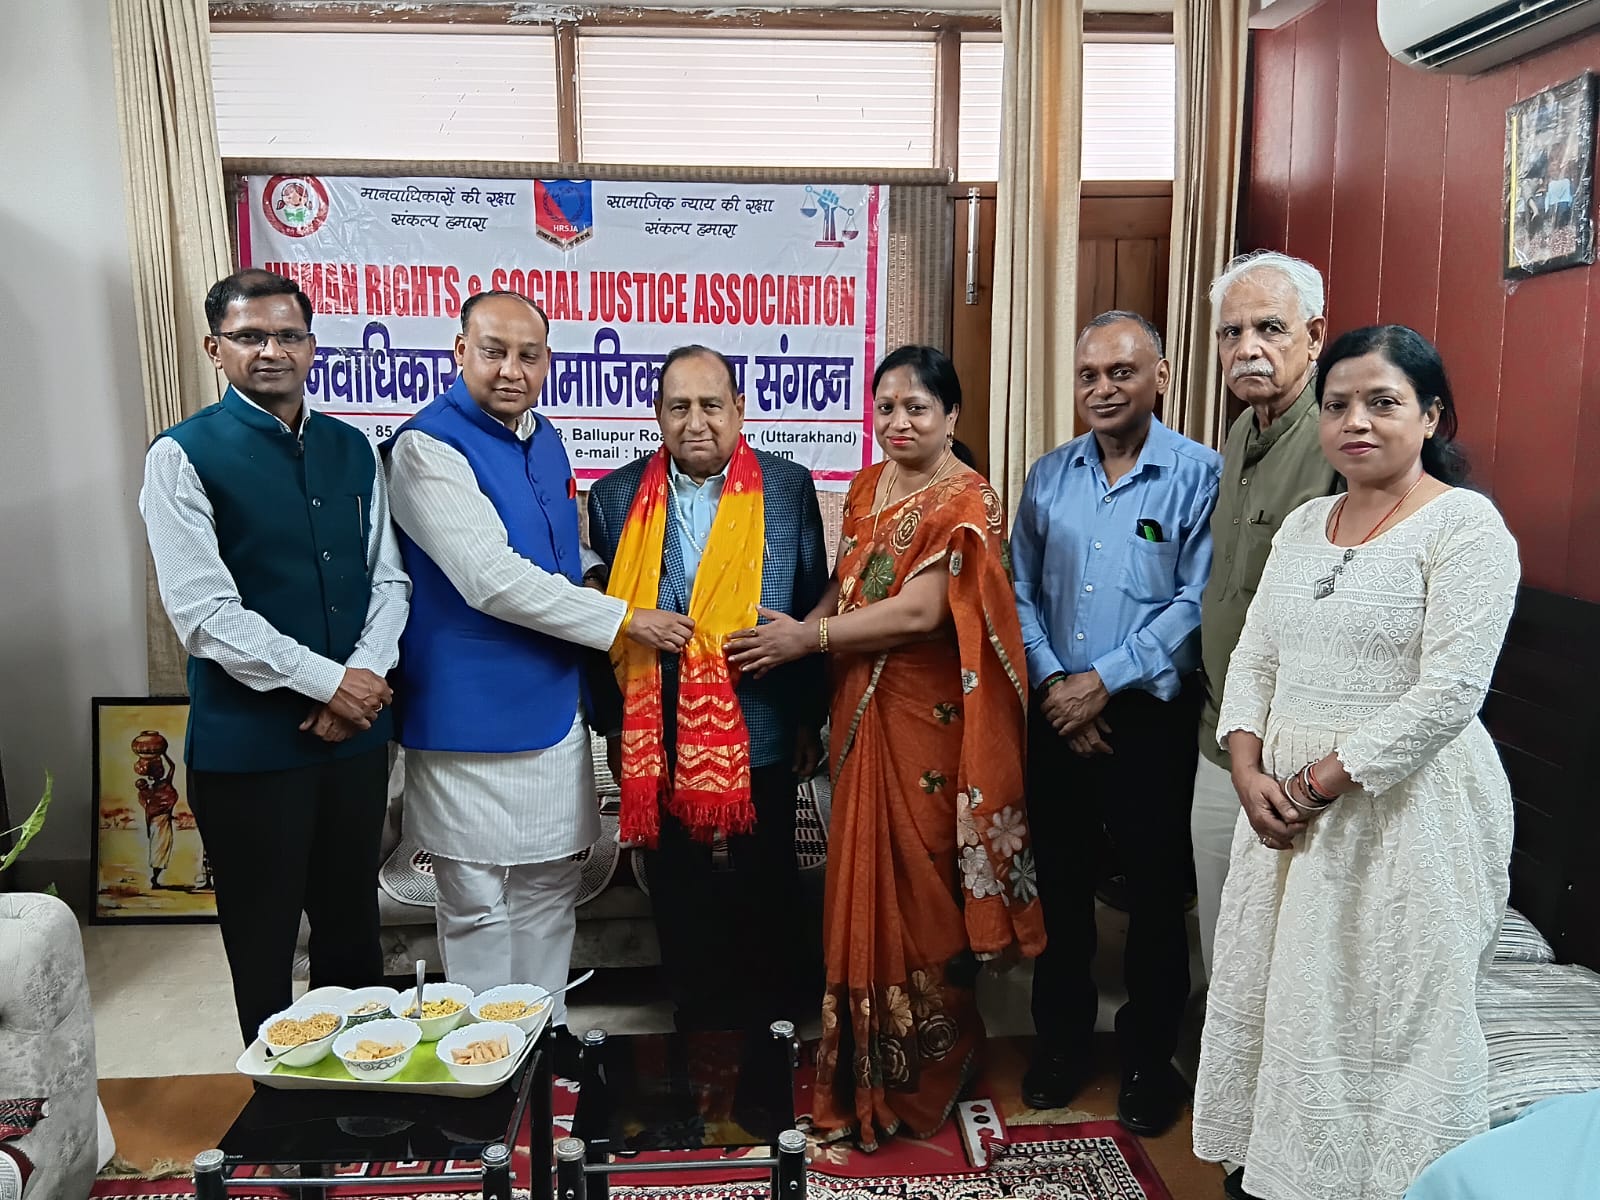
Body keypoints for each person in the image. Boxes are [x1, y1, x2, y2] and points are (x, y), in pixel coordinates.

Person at [1191, 325, 1520, 1200]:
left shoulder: (1465, 528)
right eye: (1337, 405)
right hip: (1285, 814)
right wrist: (1246, 765)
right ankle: (1275, 1171)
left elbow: (1451, 693)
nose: (1356, 422)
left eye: (1383, 402)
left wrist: (1313, 783)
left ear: (1431, 416)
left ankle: (1385, 1182)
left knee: (1385, 1012)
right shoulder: (1307, 523)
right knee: (1284, 996)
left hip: (1406, 812)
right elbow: (1256, 655)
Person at [726, 345, 1046, 1149]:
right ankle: (863, 1062)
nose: (899, 422)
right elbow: (847, 585)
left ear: (952, 416)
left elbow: (920, 612)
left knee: (922, 887)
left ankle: (934, 1057)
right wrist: (803, 630)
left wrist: (809, 640)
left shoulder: (969, 500)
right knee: (861, 880)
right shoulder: (869, 486)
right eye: (887, 408)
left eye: (918, 408)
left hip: (926, 722)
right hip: (857, 711)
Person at [384, 291, 693, 1049]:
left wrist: (592, 572)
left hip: (554, 700)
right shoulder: (426, 448)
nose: (511, 370)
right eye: (493, 351)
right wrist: (623, 617)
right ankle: (485, 1055)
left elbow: (555, 547)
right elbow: (489, 577)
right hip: (467, 711)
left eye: (529, 355)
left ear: (548, 360)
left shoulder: (544, 437)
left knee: (552, 885)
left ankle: (542, 1038)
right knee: (474, 896)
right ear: (459, 352)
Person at [140, 269, 409, 1043]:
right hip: (249, 751)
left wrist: (363, 679)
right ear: (213, 348)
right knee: (263, 947)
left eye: (288, 335)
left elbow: (388, 578)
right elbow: (205, 617)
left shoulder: (353, 447)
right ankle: (282, 1103)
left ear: (311, 346)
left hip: (354, 744)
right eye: (250, 336)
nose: (271, 351)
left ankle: (363, 1088)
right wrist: (332, 684)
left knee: (353, 935)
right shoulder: (182, 455)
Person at [1012, 311, 1221, 1133]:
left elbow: (1197, 600)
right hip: (1055, 710)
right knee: (1060, 892)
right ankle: (1060, 1045)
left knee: (1156, 900)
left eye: (1121, 372)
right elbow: (1017, 589)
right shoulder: (1048, 477)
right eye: (1088, 375)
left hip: (1148, 721)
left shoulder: (1200, 476)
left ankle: (1146, 1062)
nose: (1102, 389)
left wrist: (1104, 682)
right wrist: (1058, 684)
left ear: (1160, 377)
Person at [587, 344, 830, 1032]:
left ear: (739, 410)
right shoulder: (614, 497)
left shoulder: (787, 486)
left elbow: (809, 600)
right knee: (677, 878)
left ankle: (776, 1014)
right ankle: (698, 1016)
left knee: (767, 870)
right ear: (657, 414)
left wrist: (808, 717)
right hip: (656, 722)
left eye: (711, 405)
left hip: (764, 710)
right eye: (679, 407)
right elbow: (604, 624)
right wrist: (614, 727)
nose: (696, 422)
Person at [1192, 250, 1341, 977]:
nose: (1247, 347)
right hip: (1222, 736)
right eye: (1231, 332)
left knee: (1288, 961)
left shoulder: (1338, 441)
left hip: (1300, 760)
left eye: (1270, 329)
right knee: (1224, 946)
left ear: (1314, 337)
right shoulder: (1240, 434)